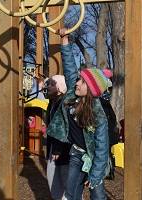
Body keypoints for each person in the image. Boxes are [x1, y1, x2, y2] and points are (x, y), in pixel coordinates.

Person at [46, 29, 111, 200]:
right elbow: (69, 66)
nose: (77, 83)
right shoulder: (71, 96)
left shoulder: (97, 115)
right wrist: (65, 40)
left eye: (82, 82)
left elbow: (102, 148)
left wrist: (96, 175)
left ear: (89, 89)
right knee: (71, 191)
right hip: (76, 153)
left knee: (97, 193)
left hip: (94, 157)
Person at [44, 75, 71, 200]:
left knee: (66, 181)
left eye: (52, 84)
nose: (48, 86)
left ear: (60, 88)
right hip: (53, 147)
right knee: (52, 178)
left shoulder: (64, 104)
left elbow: (64, 127)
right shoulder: (52, 103)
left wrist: (58, 148)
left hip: (64, 149)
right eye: (48, 83)